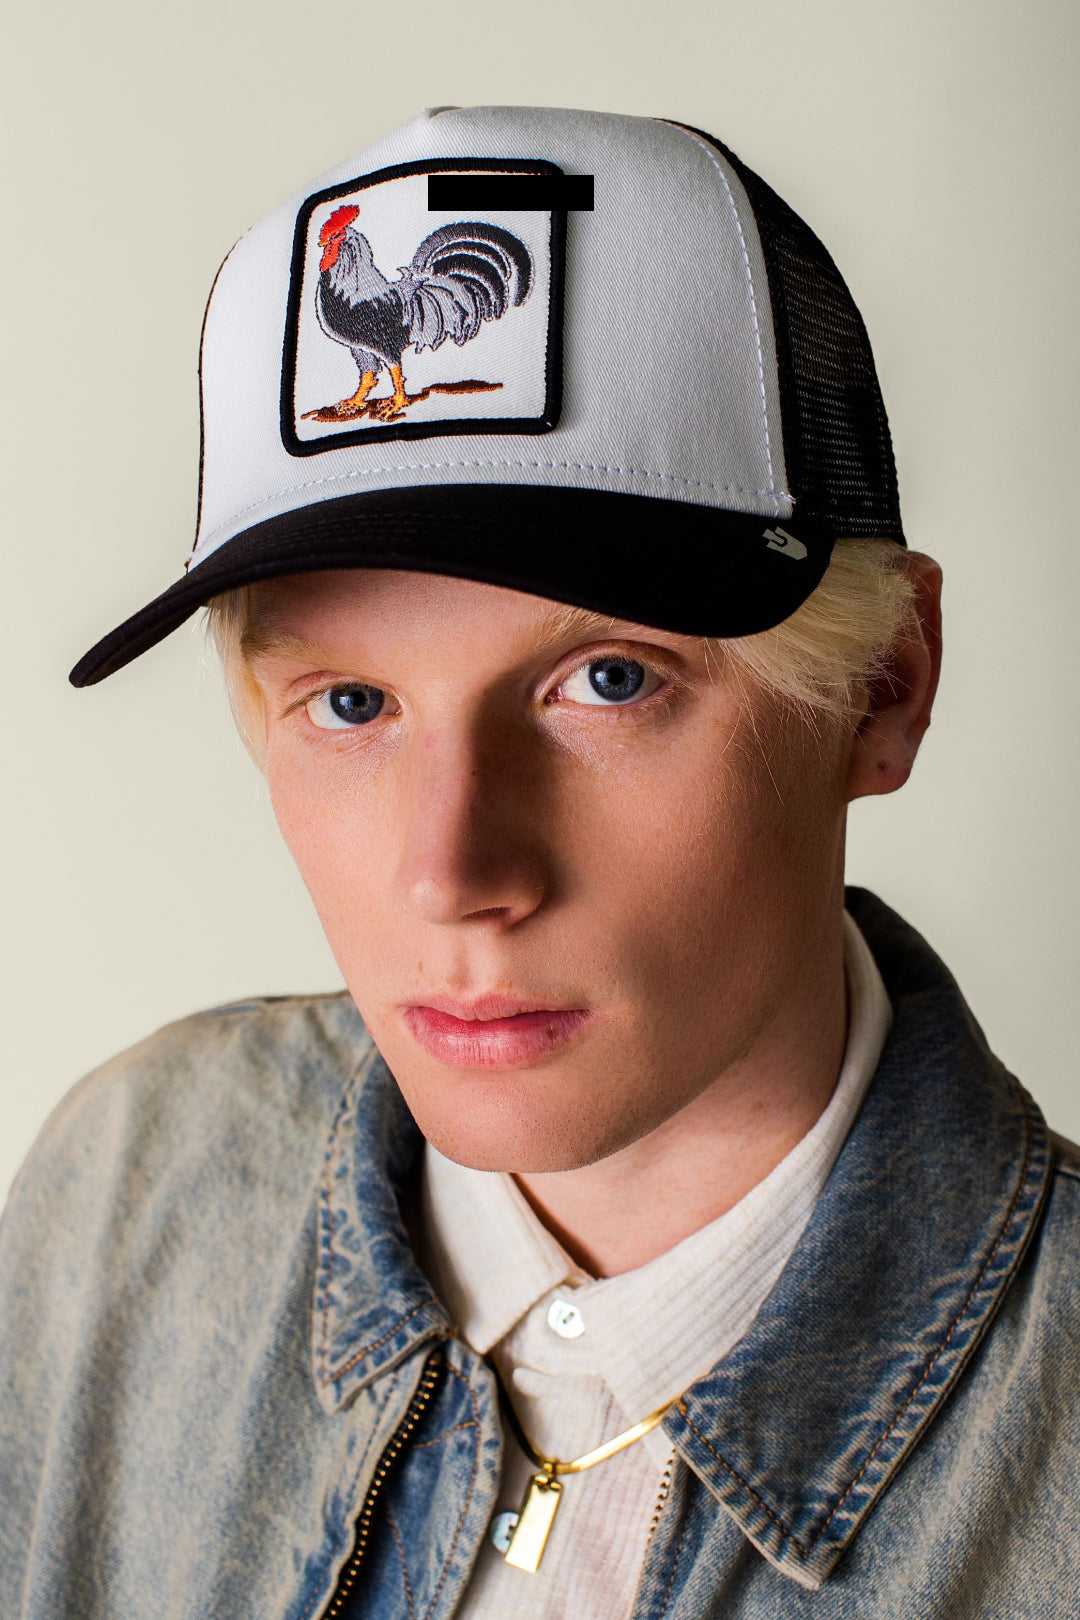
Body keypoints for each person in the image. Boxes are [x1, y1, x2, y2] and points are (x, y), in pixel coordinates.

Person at [1, 106, 1076, 1620]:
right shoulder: (129, 1193)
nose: (453, 874)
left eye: (610, 682)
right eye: (353, 705)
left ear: (883, 687)